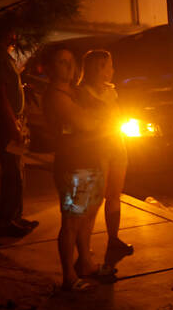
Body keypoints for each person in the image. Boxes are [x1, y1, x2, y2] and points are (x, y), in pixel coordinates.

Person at [44, 48, 106, 292]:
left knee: (88, 214)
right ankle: (68, 275)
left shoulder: (74, 91)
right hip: (72, 165)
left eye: (71, 62)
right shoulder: (56, 96)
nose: (69, 68)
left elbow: (103, 110)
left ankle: (86, 263)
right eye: (62, 63)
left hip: (89, 159)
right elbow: (87, 122)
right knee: (72, 220)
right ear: (50, 68)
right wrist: (100, 118)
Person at [77, 49, 133, 274]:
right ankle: (84, 249)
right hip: (98, 150)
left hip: (116, 146)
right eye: (109, 66)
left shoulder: (111, 92)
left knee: (114, 194)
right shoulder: (84, 94)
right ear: (98, 68)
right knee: (95, 200)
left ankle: (113, 238)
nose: (112, 70)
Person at [0, 25, 37, 238]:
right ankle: (5, 222)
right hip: (5, 125)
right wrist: (13, 126)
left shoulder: (3, 57)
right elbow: (0, 94)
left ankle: (15, 217)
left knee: (17, 171)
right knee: (12, 174)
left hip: (12, 122)